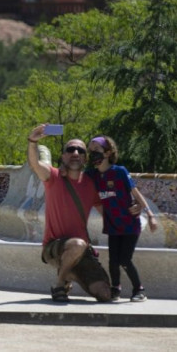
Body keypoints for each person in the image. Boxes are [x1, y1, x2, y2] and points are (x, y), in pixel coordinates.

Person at [27, 124, 111, 302]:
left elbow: (108, 211)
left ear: (85, 158)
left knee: (105, 293)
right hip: (54, 248)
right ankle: (60, 283)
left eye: (80, 151)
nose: (75, 153)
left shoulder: (91, 184)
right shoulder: (53, 177)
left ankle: (71, 271)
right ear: (63, 155)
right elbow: (35, 164)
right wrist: (33, 141)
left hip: (81, 250)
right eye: (70, 149)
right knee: (78, 245)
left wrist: (134, 212)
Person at [86, 135, 158, 302]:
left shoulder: (119, 172)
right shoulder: (92, 175)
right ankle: (115, 289)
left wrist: (150, 214)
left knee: (124, 259)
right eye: (91, 151)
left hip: (129, 224)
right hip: (112, 225)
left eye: (97, 150)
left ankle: (139, 289)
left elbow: (135, 193)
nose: (93, 154)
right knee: (113, 260)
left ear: (108, 152)